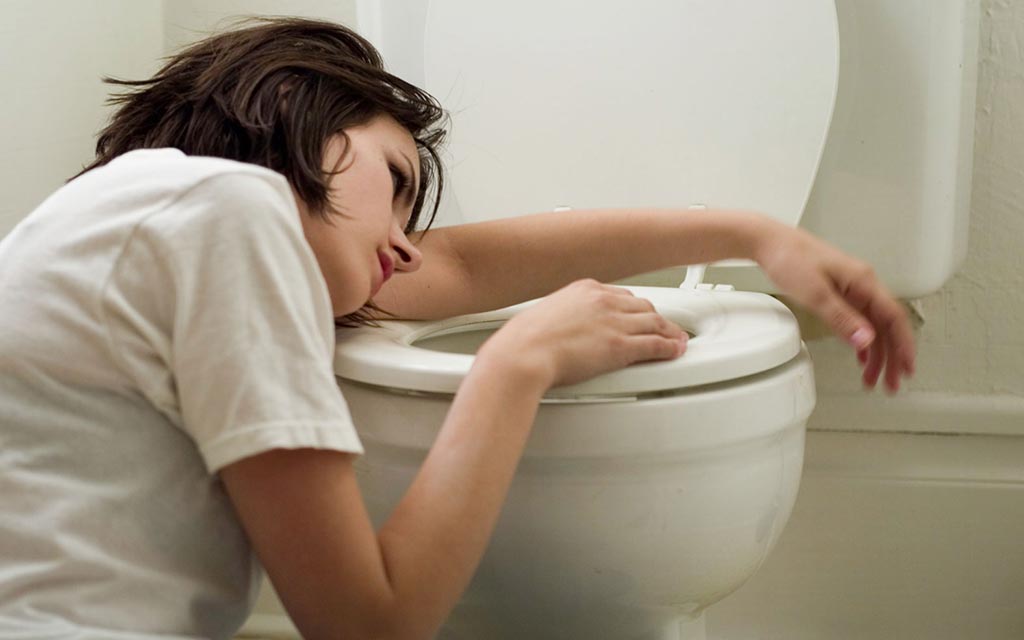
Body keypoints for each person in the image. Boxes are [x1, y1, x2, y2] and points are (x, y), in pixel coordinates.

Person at [0, 16, 914, 640]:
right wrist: (519, 363)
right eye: (396, 182)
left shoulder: (145, 215)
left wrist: (749, 233)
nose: (405, 245)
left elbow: (462, 267)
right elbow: (372, 625)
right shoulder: (227, 211)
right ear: (294, 111)